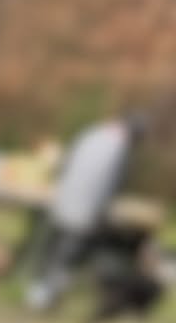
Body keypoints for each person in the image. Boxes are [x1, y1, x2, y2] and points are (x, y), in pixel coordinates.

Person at [26, 110, 147, 311]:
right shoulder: (120, 150)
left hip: (62, 201)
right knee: (68, 255)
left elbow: (66, 163)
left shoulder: (92, 133)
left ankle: (36, 292)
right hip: (85, 212)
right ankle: (47, 298)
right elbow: (114, 187)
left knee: (51, 248)